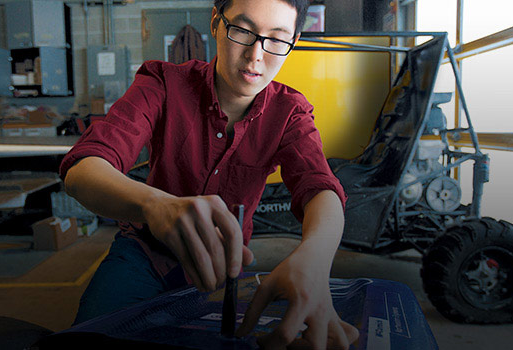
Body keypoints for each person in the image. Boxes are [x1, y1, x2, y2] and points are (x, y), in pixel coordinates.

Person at [60, 0, 360, 348]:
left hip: (224, 271)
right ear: (217, 22)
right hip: (143, 255)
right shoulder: (163, 83)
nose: (255, 56)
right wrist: (154, 205)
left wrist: (316, 257)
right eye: (243, 31)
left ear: (293, 41)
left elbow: (320, 187)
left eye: (277, 39)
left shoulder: (289, 112)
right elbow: (84, 167)